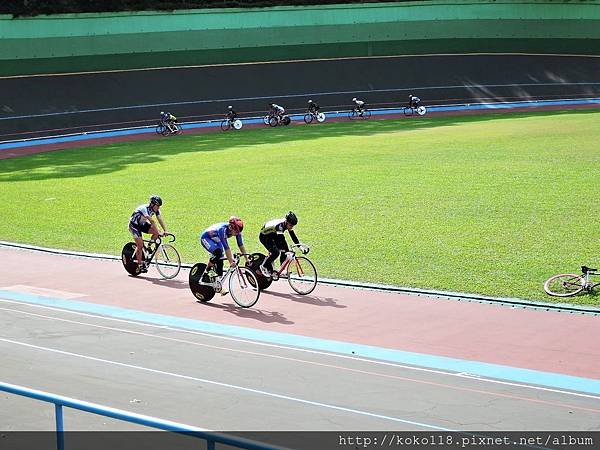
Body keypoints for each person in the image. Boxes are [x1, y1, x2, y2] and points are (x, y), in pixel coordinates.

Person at [200, 216, 249, 285]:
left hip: (216, 239)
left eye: (239, 232)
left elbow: (240, 245)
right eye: (236, 232)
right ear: (231, 227)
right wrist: (231, 262)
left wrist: (247, 259)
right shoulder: (222, 230)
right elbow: (226, 247)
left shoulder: (237, 231)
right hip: (206, 238)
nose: (237, 234)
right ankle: (207, 269)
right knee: (218, 253)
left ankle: (218, 283)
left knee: (220, 259)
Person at [258, 211, 308, 278]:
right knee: (276, 252)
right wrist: (287, 251)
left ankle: (282, 270)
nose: (291, 227)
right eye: (290, 225)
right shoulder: (280, 226)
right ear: (286, 222)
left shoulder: (287, 223)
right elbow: (282, 239)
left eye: (292, 226)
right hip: (264, 236)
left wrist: (300, 246)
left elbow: (293, 236)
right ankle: (263, 266)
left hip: (273, 234)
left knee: (284, 250)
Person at [128, 195, 168, 273]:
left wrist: (165, 230)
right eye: (157, 206)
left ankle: (149, 247)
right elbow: (152, 221)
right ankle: (140, 265)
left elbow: (159, 219)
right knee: (140, 245)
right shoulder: (144, 209)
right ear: (152, 204)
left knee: (156, 232)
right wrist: (159, 232)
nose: (159, 208)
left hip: (142, 224)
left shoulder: (155, 210)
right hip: (134, 226)